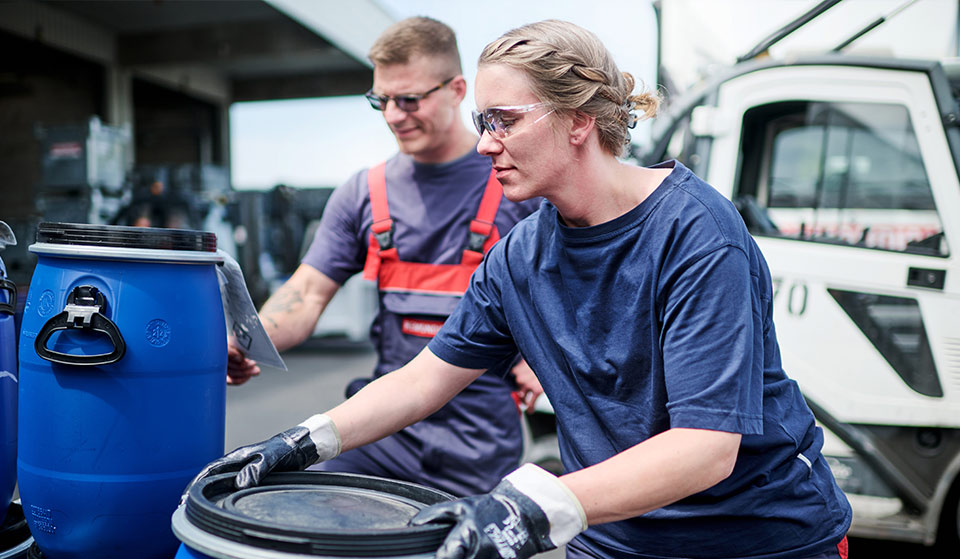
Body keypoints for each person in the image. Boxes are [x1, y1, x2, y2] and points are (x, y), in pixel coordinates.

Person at [192, 19, 852, 559]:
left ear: (578, 120)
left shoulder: (697, 234)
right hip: (615, 537)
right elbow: (425, 380)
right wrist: (301, 440)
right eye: (482, 121)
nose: (484, 145)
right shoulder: (521, 255)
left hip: (758, 540)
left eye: (504, 120)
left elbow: (706, 448)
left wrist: (534, 505)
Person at [224, 16, 542, 498]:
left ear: (458, 90)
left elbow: (577, 295)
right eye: (382, 100)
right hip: (379, 432)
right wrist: (249, 340)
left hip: (479, 445)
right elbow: (307, 292)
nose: (394, 115)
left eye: (409, 99)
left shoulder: (520, 186)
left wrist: (541, 357)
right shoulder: (363, 193)